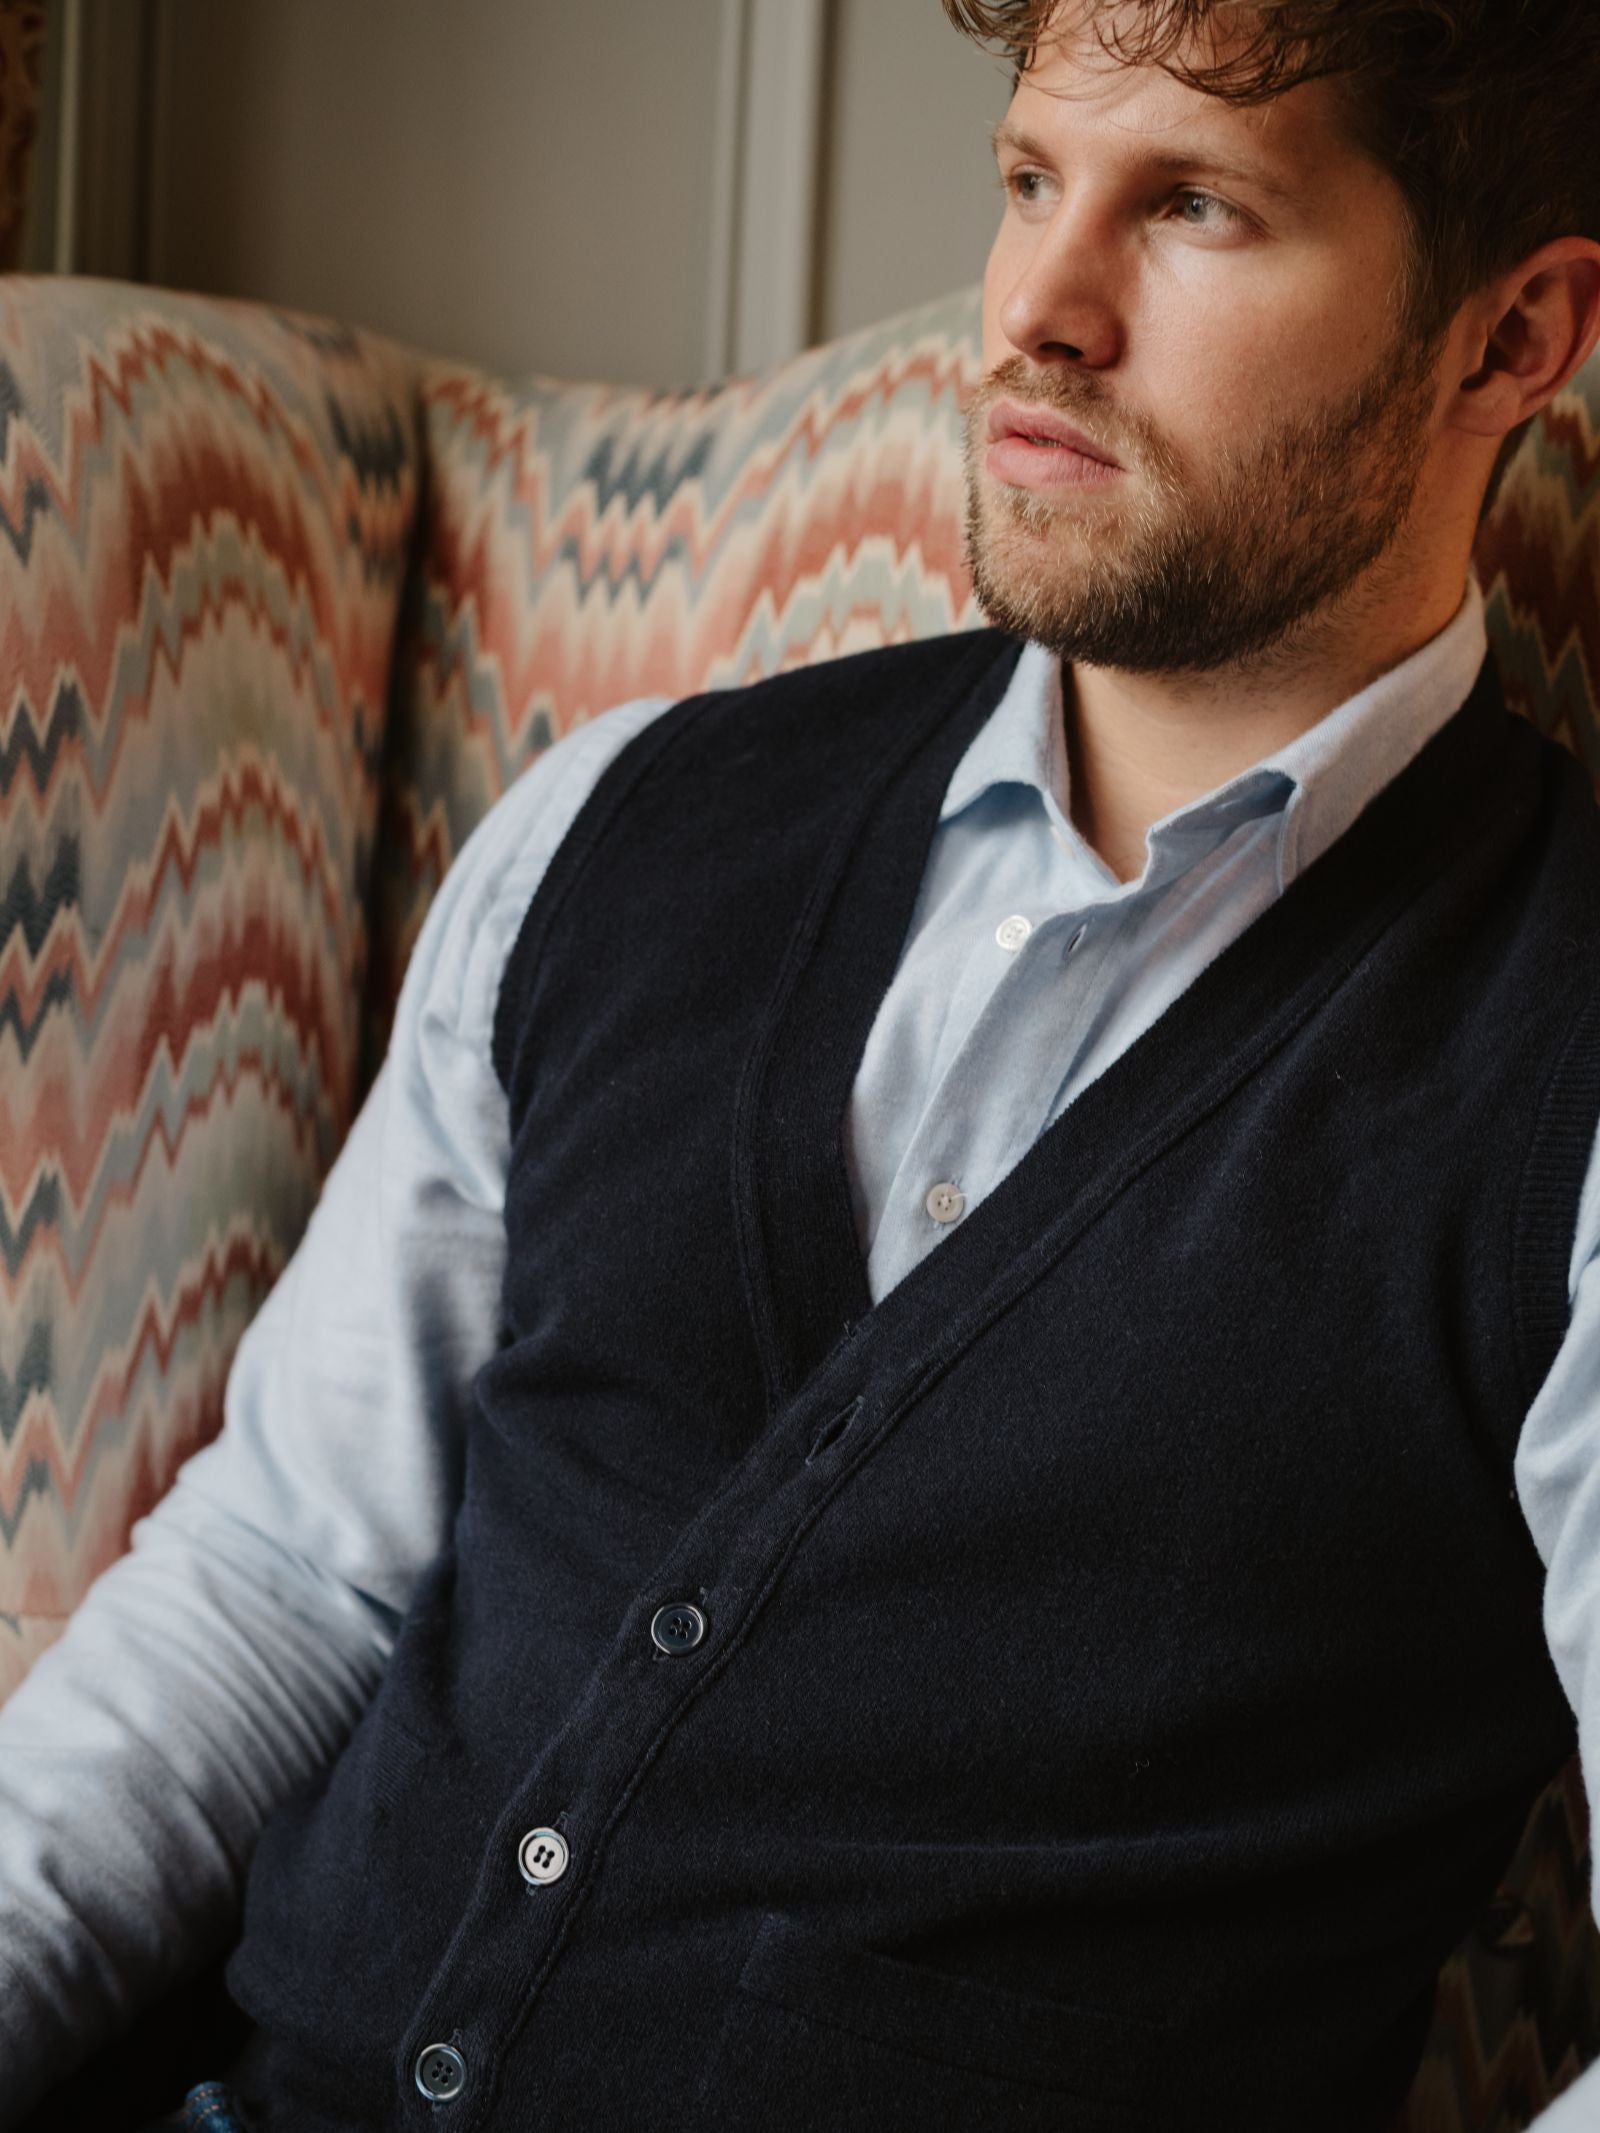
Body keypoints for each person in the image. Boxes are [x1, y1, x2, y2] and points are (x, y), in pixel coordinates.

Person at [4, 1, 1600, 2127]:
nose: (1034, 307)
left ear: (1510, 340)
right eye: (1029, 179)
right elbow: (291, 1570)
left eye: (1194, 208)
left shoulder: (1557, 1046)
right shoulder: (625, 815)